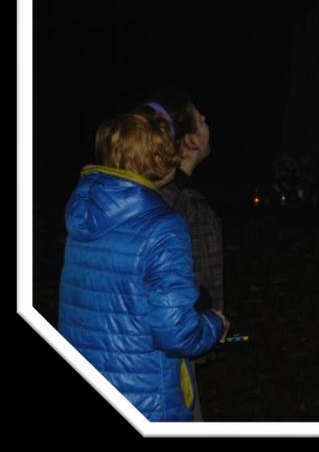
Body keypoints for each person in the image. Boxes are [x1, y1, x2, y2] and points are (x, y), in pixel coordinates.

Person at [58, 107, 226, 422]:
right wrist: (214, 325)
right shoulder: (162, 227)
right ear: (162, 158)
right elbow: (176, 334)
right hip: (144, 397)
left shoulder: (83, 214)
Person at [143, 89, 223, 422]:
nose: (208, 126)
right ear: (189, 141)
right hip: (170, 365)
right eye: (202, 122)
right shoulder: (187, 208)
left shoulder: (141, 193)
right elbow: (201, 294)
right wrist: (212, 328)